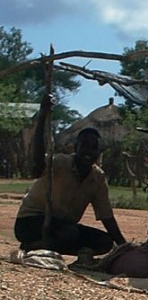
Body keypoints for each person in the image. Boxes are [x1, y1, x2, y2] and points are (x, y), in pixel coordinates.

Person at [14, 94, 127, 257]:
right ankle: (36, 245)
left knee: (104, 242)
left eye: (93, 148)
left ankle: (43, 246)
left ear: (98, 151)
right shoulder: (60, 163)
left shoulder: (97, 178)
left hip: (63, 227)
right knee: (69, 232)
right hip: (31, 221)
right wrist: (42, 118)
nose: (88, 152)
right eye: (84, 147)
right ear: (76, 147)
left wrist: (123, 245)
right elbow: (37, 168)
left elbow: (106, 216)